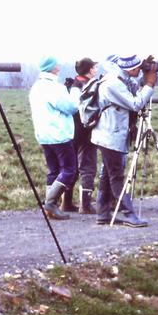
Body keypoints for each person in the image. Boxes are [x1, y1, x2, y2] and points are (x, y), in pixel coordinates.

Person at [90, 54, 157, 228]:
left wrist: (143, 73)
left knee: (107, 174)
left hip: (108, 134)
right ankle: (129, 214)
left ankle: (103, 213)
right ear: (130, 69)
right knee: (117, 175)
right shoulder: (114, 83)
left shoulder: (119, 77)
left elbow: (134, 88)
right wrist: (149, 83)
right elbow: (136, 103)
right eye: (138, 68)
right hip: (109, 136)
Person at [29, 56, 79, 220]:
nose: (60, 65)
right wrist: (74, 92)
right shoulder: (54, 88)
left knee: (54, 170)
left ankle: (50, 207)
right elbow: (71, 107)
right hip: (59, 134)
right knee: (69, 170)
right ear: (53, 68)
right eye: (57, 64)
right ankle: (51, 203)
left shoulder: (36, 87)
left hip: (43, 135)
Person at [63, 58, 99, 213]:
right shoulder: (88, 85)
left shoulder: (73, 84)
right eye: (94, 67)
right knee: (88, 166)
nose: (96, 70)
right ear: (89, 70)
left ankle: (66, 202)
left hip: (72, 130)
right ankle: (85, 205)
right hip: (86, 130)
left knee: (72, 166)